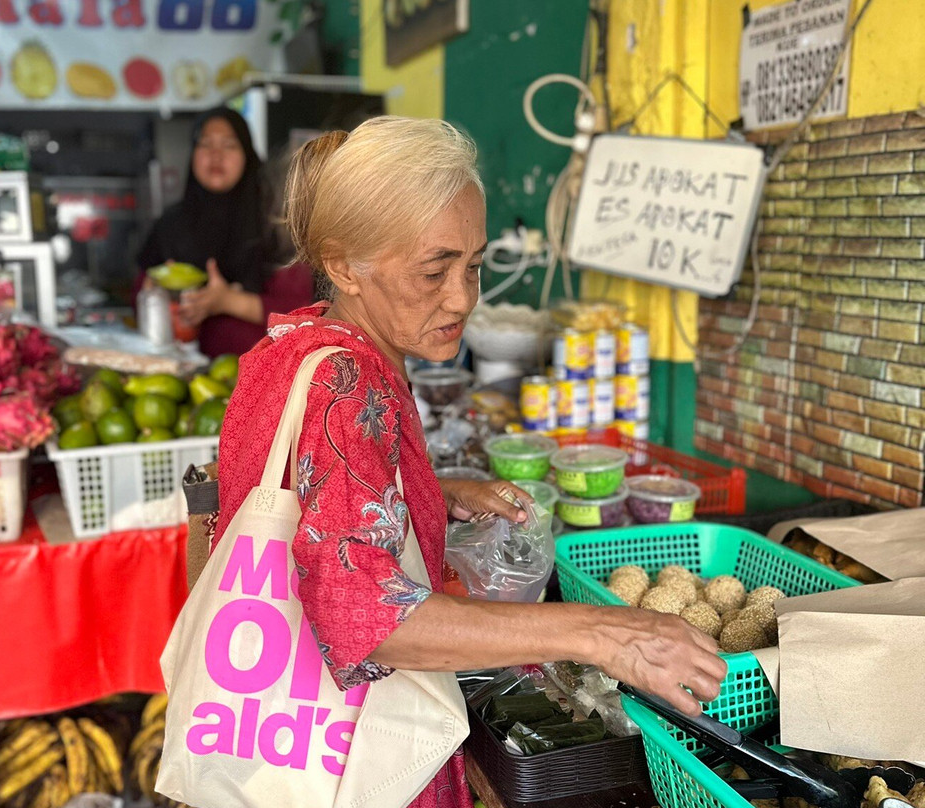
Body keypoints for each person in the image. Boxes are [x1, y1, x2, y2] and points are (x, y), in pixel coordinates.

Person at [215, 117, 727, 808]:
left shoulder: (298, 342)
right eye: (434, 269)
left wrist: (428, 489)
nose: (462, 298)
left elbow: (303, 493)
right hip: (347, 759)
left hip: (274, 728)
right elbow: (370, 619)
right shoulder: (345, 384)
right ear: (342, 264)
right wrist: (608, 633)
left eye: (474, 265)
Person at [136, 106, 313, 356]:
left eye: (229, 145)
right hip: (183, 375)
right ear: (192, 154)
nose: (216, 155)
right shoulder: (172, 223)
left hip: (261, 375)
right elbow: (139, 294)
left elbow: (301, 313)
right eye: (205, 144)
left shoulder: (276, 223)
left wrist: (227, 301)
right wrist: (160, 296)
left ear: (247, 154)